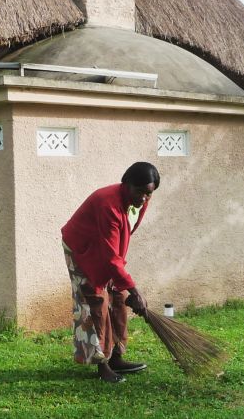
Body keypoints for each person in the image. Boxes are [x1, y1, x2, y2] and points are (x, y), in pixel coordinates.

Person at [61, 162, 159, 383]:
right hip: (82, 248)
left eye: (148, 193)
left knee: (119, 297)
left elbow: (120, 239)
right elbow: (110, 254)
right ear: (126, 184)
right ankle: (102, 364)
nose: (143, 198)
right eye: (139, 191)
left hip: (106, 248)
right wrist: (135, 288)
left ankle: (117, 357)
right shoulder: (108, 204)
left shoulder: (140, 199)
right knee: (96, 301)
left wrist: (126, 286)